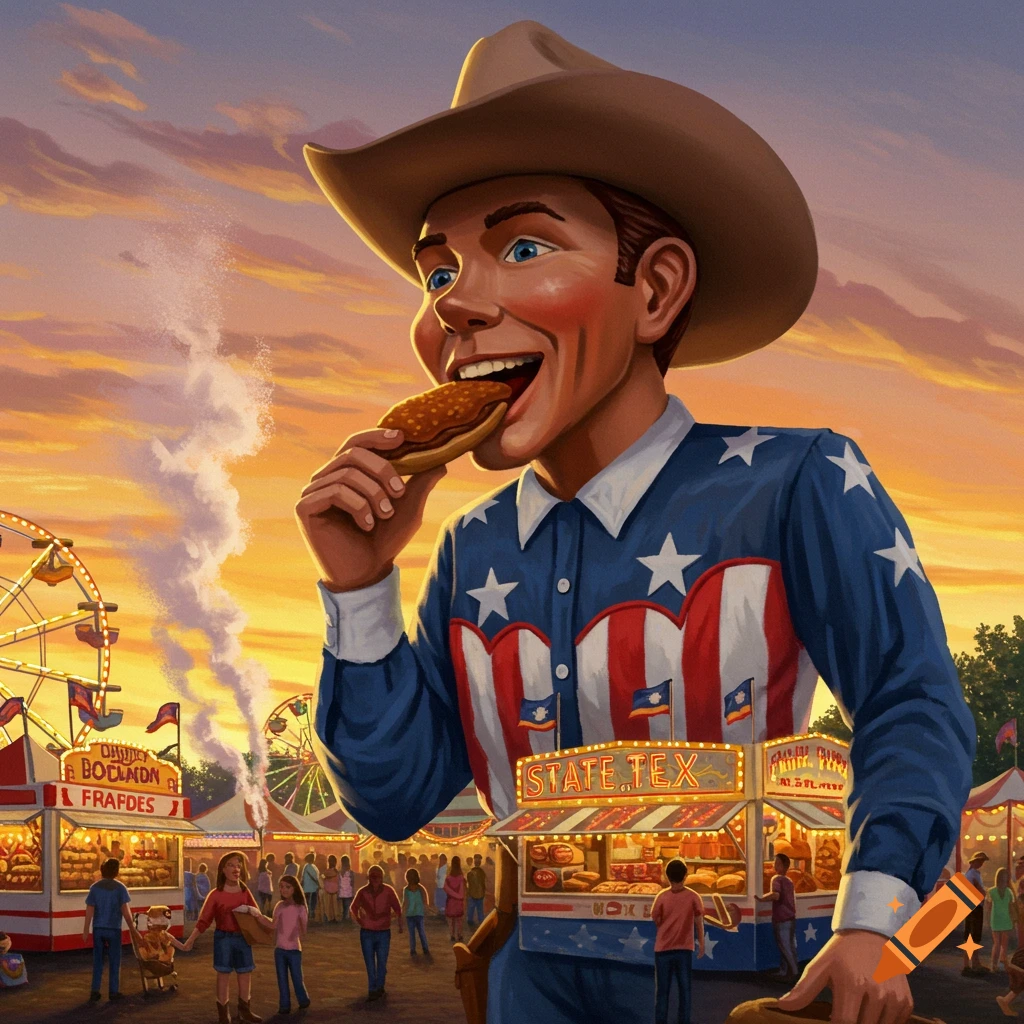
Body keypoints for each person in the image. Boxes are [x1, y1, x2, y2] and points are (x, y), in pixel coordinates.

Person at [298, 20, 976, 1024]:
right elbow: (394, 798)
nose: (455, 305)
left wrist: (872, 927)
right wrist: (358, 586)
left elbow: (909, 701)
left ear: (655, 289)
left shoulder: (794, 481)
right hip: (532, 981)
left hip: (740, 981)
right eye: (437, 273)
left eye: (522, 247)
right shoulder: (470, 547)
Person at [183, 850, 263, 1024]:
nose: (236, 869)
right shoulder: (215, 894)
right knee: (223, 975)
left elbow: (257, 914)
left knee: (245, 973)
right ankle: (223, 1014)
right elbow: (204, 921)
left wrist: (255, 914)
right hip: (223, 939)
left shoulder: (244, 891)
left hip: (243, 938)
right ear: (223, 870)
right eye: (231, 865)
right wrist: (190, 940)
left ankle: (245, 1011)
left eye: (238, 865)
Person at [650, 860, 704, 1024]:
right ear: (686, 875)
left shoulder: (661, 897)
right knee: (685, 991)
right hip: (684, 949)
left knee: (662, 992)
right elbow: (699, 922)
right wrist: (701, 943)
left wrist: (665, 929)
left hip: (662, 950)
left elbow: (655, 918)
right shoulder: (694, 897)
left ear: (667, 877)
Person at [82, 857, 139, 1002]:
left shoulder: (94, 888)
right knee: (114, 960)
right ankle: (113, 991)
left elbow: (90, 909)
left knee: (98, 960)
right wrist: (133, 929)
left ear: (102, 871)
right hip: (114, 929)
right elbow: (126, 911)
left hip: (98, 928)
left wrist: (86, 929)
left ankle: (95, 990)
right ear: (116, 871)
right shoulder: (120, 888)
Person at [254, 874, 311, 1015]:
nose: (283, 890)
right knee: (282, 979)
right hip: (279, 950)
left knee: (297, 978)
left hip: (294, 949)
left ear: (294, 888)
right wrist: (259, 916)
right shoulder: (279, 906)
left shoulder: (300, 907)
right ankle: (284, 1005)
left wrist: (296, 931)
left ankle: (303, 999)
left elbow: (304, 930)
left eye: (287, 887)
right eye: (281, 887)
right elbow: (273, 925)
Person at [351, 865, 402, 1002]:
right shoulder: (365, 892)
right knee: (372, 963)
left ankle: (377, 987)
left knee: (380, 962)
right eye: (373, 877)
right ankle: (374, 988)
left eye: (377, 877)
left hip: (380, 931)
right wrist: (360, 921)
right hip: (370, 931)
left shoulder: (386, 891)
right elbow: (353, 909)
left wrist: (360, 920)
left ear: (381, 878)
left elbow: (398, 909)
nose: (375, 880)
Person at [756, 853, 798, 981]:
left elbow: (776, 895)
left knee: (785, 946)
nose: (775, 865)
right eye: (775, 863)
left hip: (781, 918)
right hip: (790, 917)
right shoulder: (789, 881)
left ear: (784, 866)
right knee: (787, 945)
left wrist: (761, 899)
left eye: (778, 863)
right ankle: (784, 971)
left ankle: (794, 973)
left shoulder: (776, 879)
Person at [963, 852, 989, 975]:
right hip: (974, 907)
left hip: (976, 907)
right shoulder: (971, 874)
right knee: (972, 936)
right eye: (979, 861)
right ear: (974, 862)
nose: (981, 863)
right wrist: (982, 892)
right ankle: (970, 964)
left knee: (974, 936)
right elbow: (975, 891)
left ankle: (974, 963)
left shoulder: (974, 874)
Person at [990, 868, 1017, 973]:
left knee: (1002, 944)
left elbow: (988, 907)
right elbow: (1011, 907)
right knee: (999, 944)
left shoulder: (993, 891)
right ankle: (996, 964)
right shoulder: (1006, 891)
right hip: (1000, 920)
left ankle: (997, 964)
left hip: (1001, 919)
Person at [403, 867, 431, 956]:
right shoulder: (420, 888)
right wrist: (426, 908)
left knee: (412, 934)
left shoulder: (407, 889)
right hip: (418, 913)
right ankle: (425, 948)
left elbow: (405, 902)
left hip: (411, 914)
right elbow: (425, 900)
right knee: (421, 932)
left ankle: (413, 949)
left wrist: (402, 912)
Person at [444, 855, 466, 943]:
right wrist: (460, 897)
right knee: (459, 920)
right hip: (459, 902)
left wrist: (453, 894)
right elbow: (462, 893)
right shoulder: (461, 878)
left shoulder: (448, 879)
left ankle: (452, 935)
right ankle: (459, 935)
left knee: (451, 920)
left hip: (450, 901)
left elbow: (445, 889)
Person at [466, 854, 487, 932]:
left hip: (472, 893)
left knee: (471, 909)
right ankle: (480, 923)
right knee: (480, 910)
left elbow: (468, 882)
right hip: (480, 894)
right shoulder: (482, 872)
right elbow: (483, 883)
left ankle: (470, 921)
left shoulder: (470, 872)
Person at [300, 851, 321, 922]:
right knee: (311, 901)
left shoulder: (309, 866)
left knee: (310, 901)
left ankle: (310, 914)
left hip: (309, 887)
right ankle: (310, 914)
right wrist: (318, 883)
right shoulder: (309, 866)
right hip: (311, 887)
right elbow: (314, 877)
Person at [323, 854, 340, 923]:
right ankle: (336, 917)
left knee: (328, 905)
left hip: (327, 889)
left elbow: (323, 878)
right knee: (335, 905)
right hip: (335, 889)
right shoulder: (337, 872)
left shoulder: (326, 872)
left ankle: (329, 918)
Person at [339, 855, 355, 922]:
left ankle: (344, 917)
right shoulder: (351, 872)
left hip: (342, 891)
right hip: (349, 891)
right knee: (348, 905)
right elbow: (352, 882)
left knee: (343, 905)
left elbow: (339, 882)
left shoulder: (340, 872)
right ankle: (347, 917)